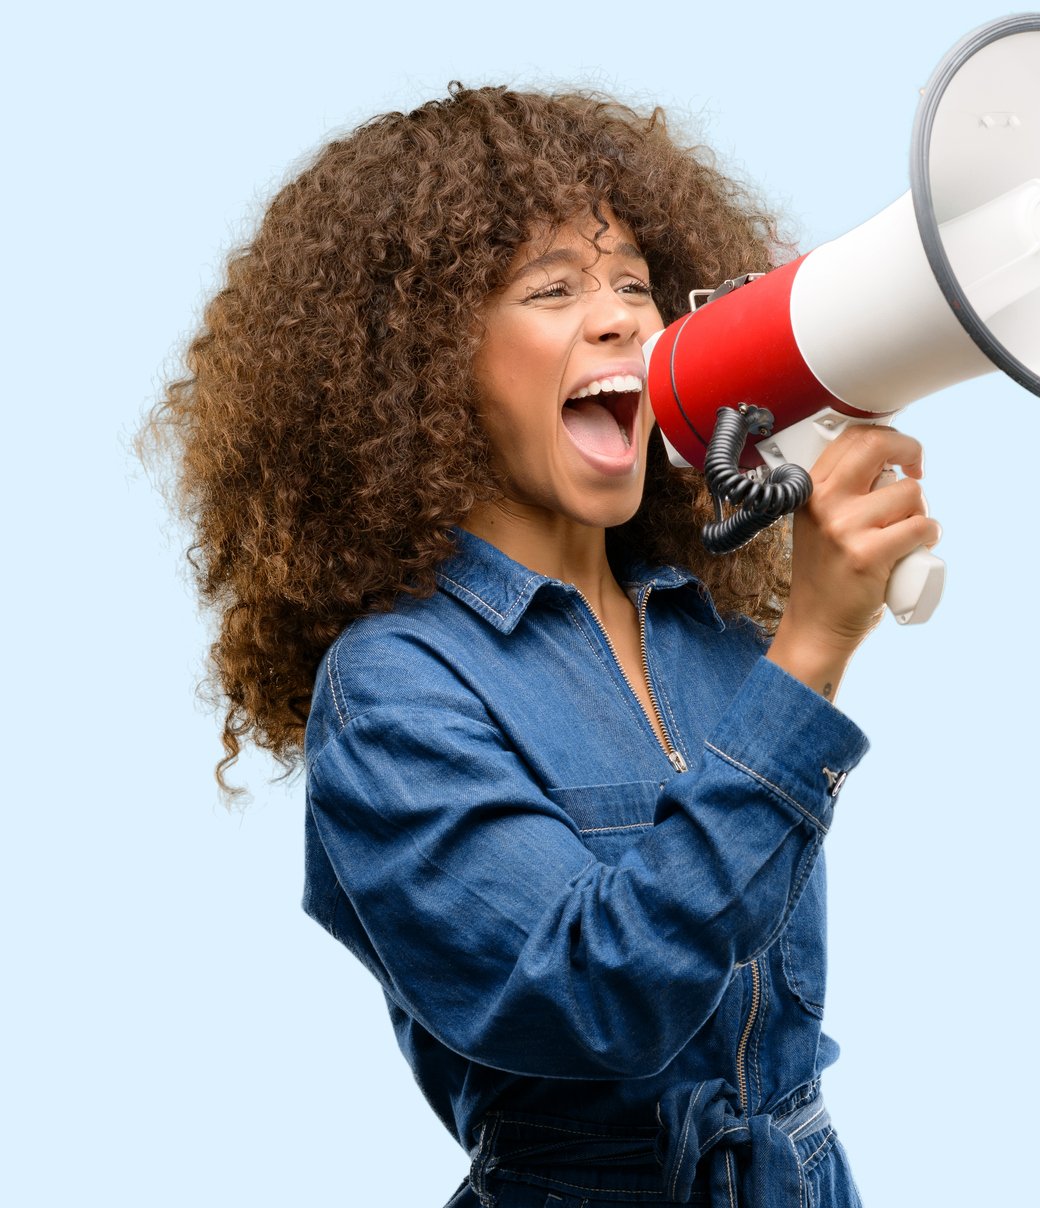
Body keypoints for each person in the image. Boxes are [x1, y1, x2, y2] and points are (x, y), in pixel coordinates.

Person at [144, 84, 933, 1207]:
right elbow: (597, 989)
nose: (619, 319)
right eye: (552, 289)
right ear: (421, 361)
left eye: (635, 285)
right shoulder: (392, 689)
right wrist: (810, 649)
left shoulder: (710, 644)